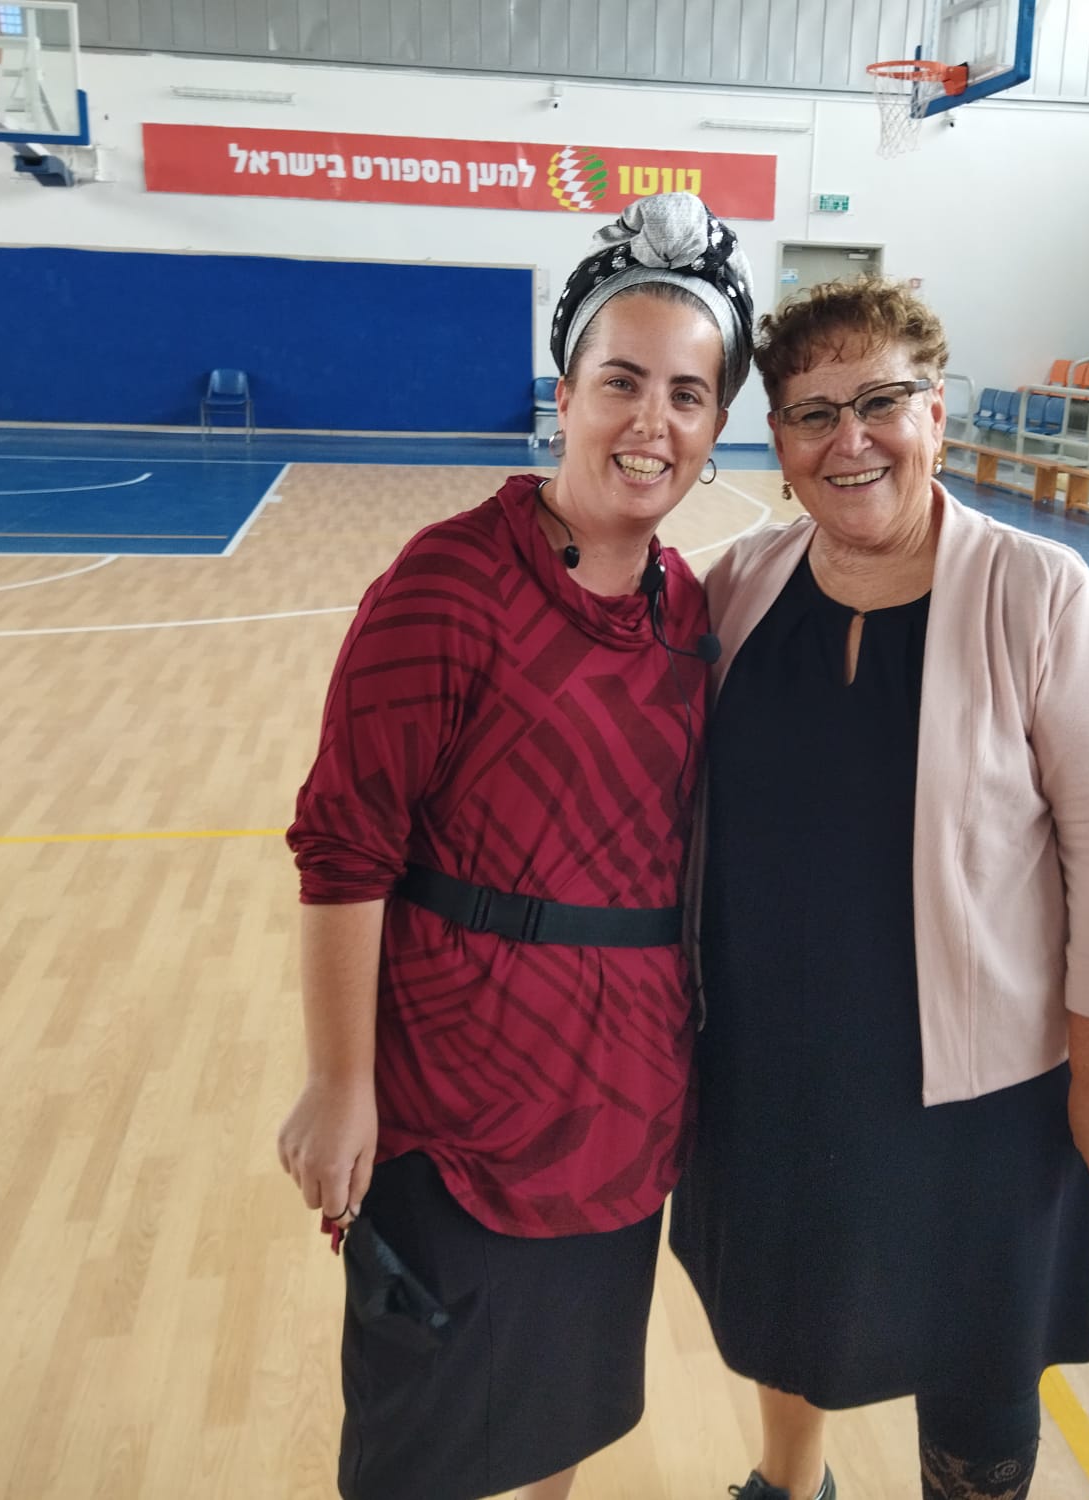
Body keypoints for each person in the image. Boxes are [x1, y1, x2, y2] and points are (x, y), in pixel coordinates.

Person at [279, 193, 755, 1500]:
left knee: (555, 1434)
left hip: (625, 1109)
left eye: (687, 395)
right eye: (622, 382)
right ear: (565, 393)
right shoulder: (445, 584)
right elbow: (344, 850)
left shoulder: (687, 611)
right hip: (456, 1108)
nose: (650, 422)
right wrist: (340, 1082)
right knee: (424, 1458)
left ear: (716, 425)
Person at [670, 276, 1089, 1500]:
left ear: (935, 414)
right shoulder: (738, 587)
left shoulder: (1038, 595)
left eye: (880, 402)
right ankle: (791, 1486)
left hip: (977, 1091)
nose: (849, 439)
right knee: (787, 1309)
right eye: (812, 413)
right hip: (768, 1063)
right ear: (778, 443)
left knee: (977, 1360)